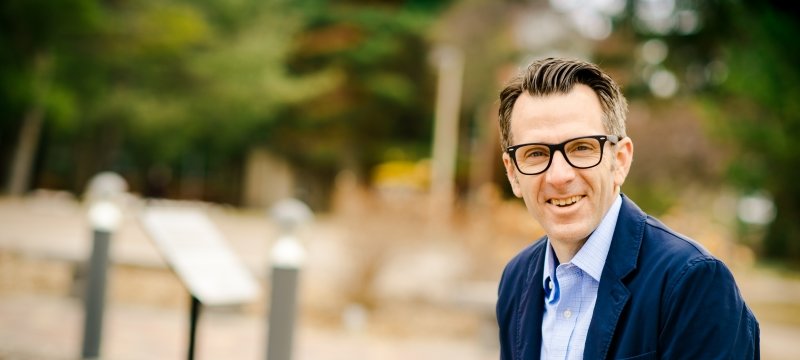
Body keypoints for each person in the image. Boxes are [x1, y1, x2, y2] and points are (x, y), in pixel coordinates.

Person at [495, 57, 760, 359]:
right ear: (513, 173)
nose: (559, 176)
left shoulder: (691, 283)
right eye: (536, 153)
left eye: (582, 148)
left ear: (620, 160)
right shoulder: (516, 279)